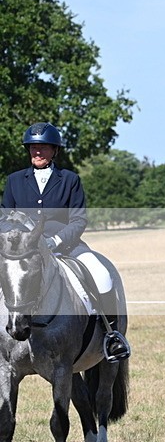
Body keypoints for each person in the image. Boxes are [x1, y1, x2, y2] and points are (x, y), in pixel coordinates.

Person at [1, 122, 131, 360]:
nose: (37, 152)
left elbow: (79, 220)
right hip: (26, 253)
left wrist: (56, 241)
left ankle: (112, 336)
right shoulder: (15, 181)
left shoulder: (70, 180)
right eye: (32, 148)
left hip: (67, 248)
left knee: (101, 275)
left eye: (42, 148)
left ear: (54, 150)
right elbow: (4, 218)